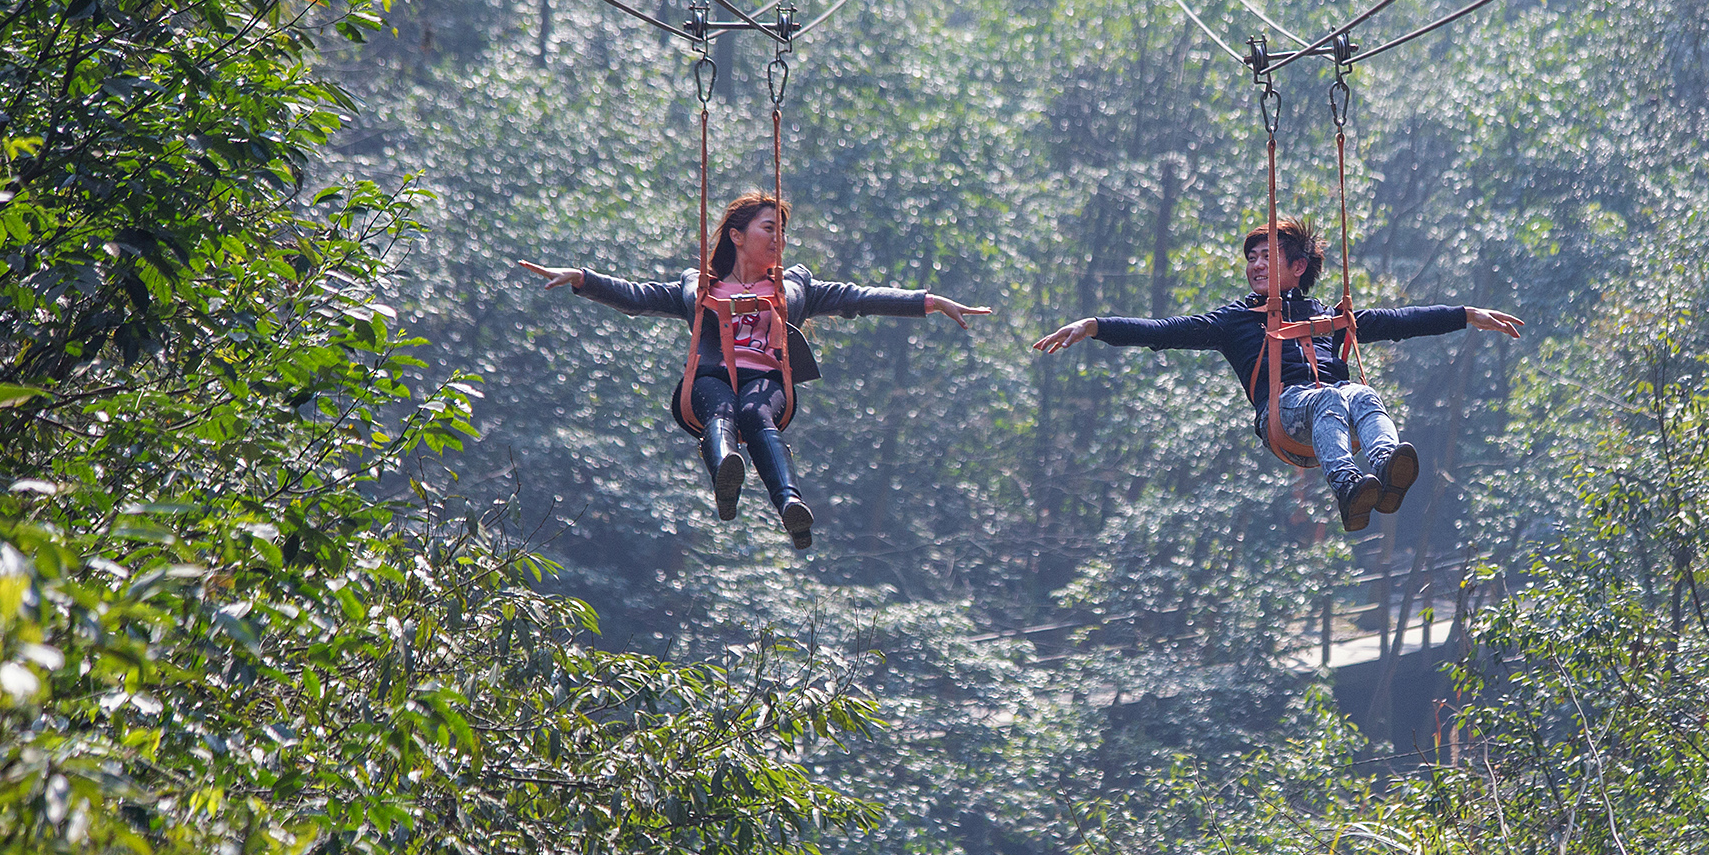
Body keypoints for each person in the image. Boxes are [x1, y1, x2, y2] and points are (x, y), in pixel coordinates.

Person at [520, 192, 991, 550]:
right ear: (737, 235)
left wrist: (927, 302)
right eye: (770, 228)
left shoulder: (793, 287)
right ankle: (726, 467)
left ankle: (788, 502)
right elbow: (639, 298)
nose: (779, 240)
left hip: (766, 382)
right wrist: (583, 279)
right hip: (709, 378)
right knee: (720, 403)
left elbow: (858, 298)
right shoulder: (698, 287)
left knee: (754, 412)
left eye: (783, 232)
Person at [1032, 216, 1522, 532]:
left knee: (1360, 395)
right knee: (1331, 397)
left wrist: (1466, 314)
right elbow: (1164, 330)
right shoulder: (1236, 322)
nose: (1256, 266)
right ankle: (1349, 486)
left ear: (1298, 266)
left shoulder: (1329, 316)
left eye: (1267, 257)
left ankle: (1387, 466)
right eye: (1252, 259)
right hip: (1283, 417)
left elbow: (1400, 321)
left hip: (1332, 414)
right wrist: (1094, 326)